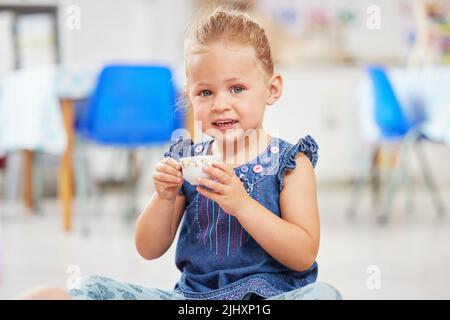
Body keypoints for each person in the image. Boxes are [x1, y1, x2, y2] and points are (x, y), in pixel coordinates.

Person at [19, 7, 341, 300]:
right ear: (190, 95)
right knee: (88, 288)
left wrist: (243, 205)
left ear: (272, 89)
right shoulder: (186, 161)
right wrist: (164, 198)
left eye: (237, 89)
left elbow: (303, 253)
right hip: (192, 303)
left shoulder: (291, 164)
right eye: (205, 92)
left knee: (324, 295)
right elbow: (147, 248)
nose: (220, 103)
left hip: (266, 302)